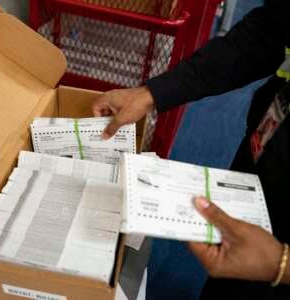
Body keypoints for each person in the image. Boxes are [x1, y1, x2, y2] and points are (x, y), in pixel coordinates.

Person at [92, 1, 290, 299]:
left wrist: (282, 265)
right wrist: (153, 93)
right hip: (271, 141)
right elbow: (269, 31)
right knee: (232, 266)